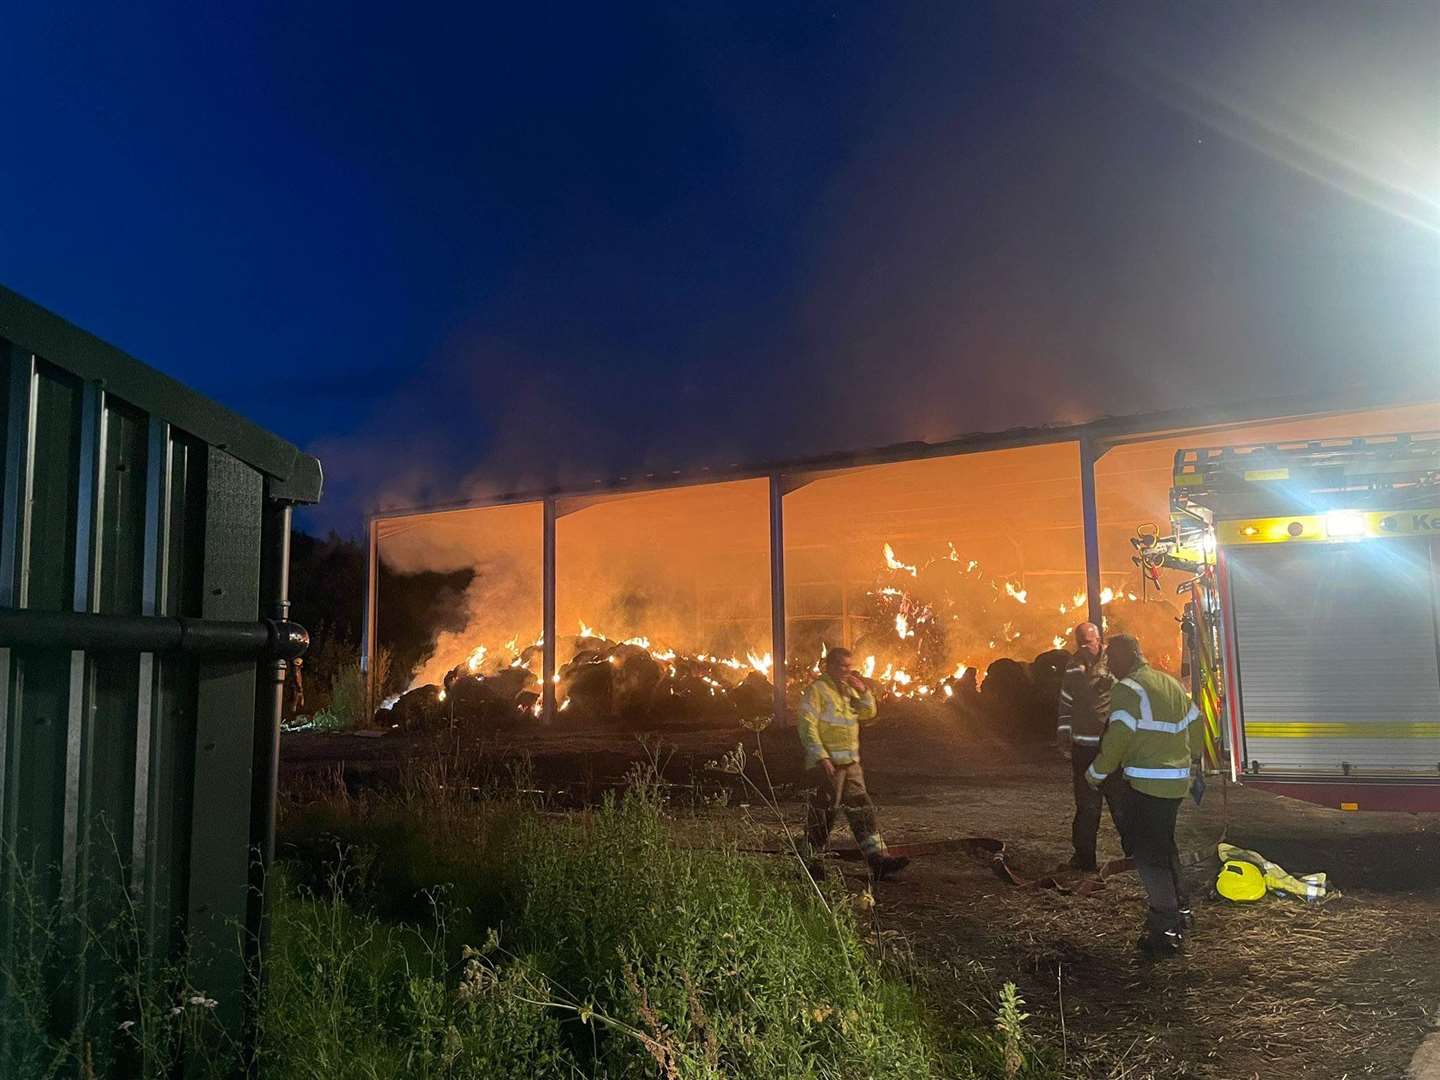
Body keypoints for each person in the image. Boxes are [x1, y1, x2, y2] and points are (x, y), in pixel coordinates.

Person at [1085, 634, 1202, 958]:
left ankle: (1164, 931)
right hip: (1175, 783)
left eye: (1111, 660)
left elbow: (1119, 735)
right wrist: (1193, 760)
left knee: (1148, 854)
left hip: (1147, 784)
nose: (1110, 667)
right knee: (1165, 847)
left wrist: (1096, 772)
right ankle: (1182, 913)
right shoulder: (1169, 682)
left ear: (1123, 658)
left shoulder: (1127, 689)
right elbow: (1196, 723)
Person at [796, 647, 910, 881]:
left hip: (850, 765)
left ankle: (878, 860)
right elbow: (806, 724)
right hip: (828, 765)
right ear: (829, 666)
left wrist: (864, 691)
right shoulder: (817, 690)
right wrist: (821, 756)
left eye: (849, 666)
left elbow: (868, 713)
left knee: (863, 811)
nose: (847, 670)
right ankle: (809, 864)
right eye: (841, 666)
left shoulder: (848, 690)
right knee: (823, 815)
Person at [1056, 621, 1125, 871]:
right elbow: (1066, 702)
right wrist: (1064, 736)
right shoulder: (1074, 665)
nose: (1089, 646)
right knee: (1088, 807)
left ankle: (1133, 856)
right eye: (1084, 642)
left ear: (1100, 639)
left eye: (1092, 640)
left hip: (1111, 746)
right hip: (1086, 748)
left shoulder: (1115, 664)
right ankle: (1085, 860)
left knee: (1119, 805)